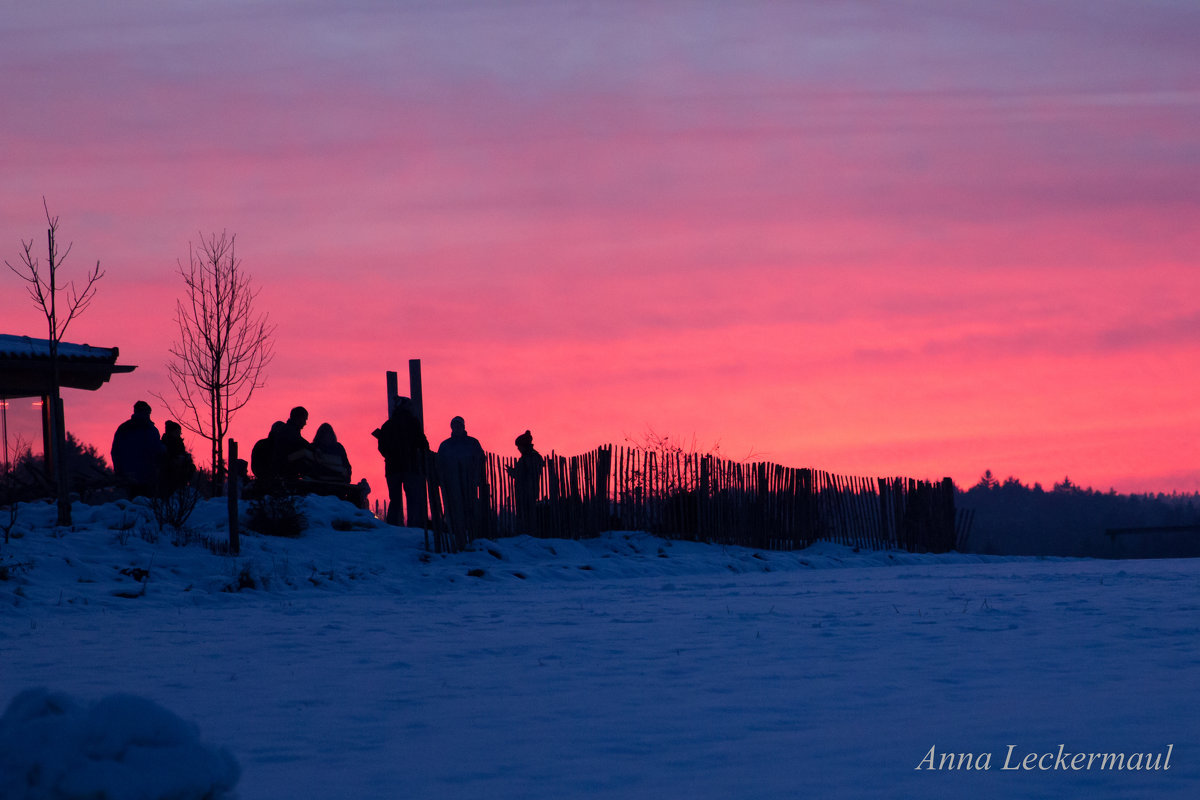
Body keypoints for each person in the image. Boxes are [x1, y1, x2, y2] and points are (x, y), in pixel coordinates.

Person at [373, 397, 429, 526]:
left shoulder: (387, 425)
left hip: (393, 468)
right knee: (413, 498)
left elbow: (382, 447)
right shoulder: (413, 423)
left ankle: (393, 526)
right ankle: (413, 526)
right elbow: (423, 443)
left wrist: (390, 456)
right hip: (411, 467)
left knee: (395, 500)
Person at [436, 416, 488, 545]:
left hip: (469, 482)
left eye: (459, 425)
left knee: (470, 508)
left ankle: (473, 535)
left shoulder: (472, 443)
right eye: (454, 425)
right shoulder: (446, 445)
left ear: (463, 427)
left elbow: (481, 459)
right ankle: (458, 536)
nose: (457, 427)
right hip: (452, 484)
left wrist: (478, 477)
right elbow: (439, 463)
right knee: (455, 508)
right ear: (451, 427)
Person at [111, 401, 164, 498]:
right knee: (146, 507)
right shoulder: (151, 430)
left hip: (127, 476)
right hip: (147, 476)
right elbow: (157, 451)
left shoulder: (123, 428)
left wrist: (119, 471)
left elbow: (115, 452)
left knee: (129, 506)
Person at [506, 430, 544, 535]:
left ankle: (529, 535)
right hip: (527, 490)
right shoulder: (531, 457)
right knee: (526, 514)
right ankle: (527, 534)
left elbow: (524, 475)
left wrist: (513, 472)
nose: (518, 449)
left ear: (524, 446)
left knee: (528, 515)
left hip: (527, 491)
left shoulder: (530, 457)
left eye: (519, 446)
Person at [159, 419, 196, 496]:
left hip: (181, 473)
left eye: (179, 432)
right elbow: (164, 459)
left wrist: (186, 458)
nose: (179, 434)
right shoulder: (164, 443)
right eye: (177, 432)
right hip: (169, 474)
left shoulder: (179, 443)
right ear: (171, 432)